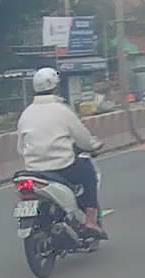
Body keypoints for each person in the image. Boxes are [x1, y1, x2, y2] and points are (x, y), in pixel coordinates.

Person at [16, 67, 107, 239]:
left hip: (34, 171)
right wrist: (93, 145)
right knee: (89, 173)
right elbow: (83, 139)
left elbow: (20, 148)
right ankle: (90, 221)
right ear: (56, 87)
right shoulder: (63, 110)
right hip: (62, 167)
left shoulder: (25, 114)